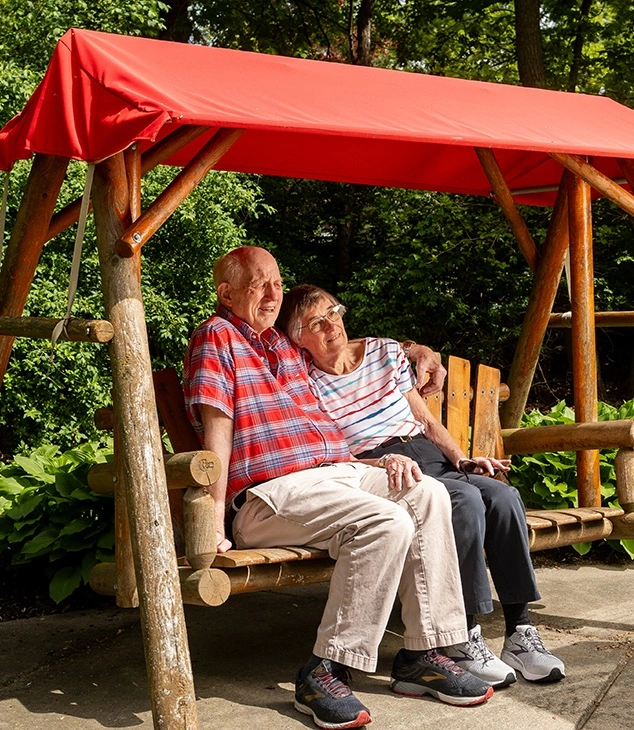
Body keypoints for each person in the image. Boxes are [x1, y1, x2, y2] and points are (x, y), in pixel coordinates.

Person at [183, 247, 494, 730]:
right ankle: (325, 669)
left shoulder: (285, 347)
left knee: (427, 494)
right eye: (258, 283)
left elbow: (352, 350)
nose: (272, 294)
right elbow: (216, 430)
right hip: (272, 494)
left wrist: (412, 353)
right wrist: (213, 516)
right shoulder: (216, 336)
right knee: (386, 519)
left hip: (338, 473)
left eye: (278, 284)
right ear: (226, 293)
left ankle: (423, 654)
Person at [277, 283, 566, 688]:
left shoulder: (382, 352)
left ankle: (520, 631)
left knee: (502, 496)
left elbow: (427, 421)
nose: (332, 325)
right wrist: (378, 462)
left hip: (428, 454)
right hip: (382, 469)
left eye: (334, 312)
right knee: (464, 501)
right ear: (296, 337)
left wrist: (462, 459)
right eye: (316, 322)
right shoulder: (305, 381)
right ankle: (463, 637)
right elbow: (328, 452)